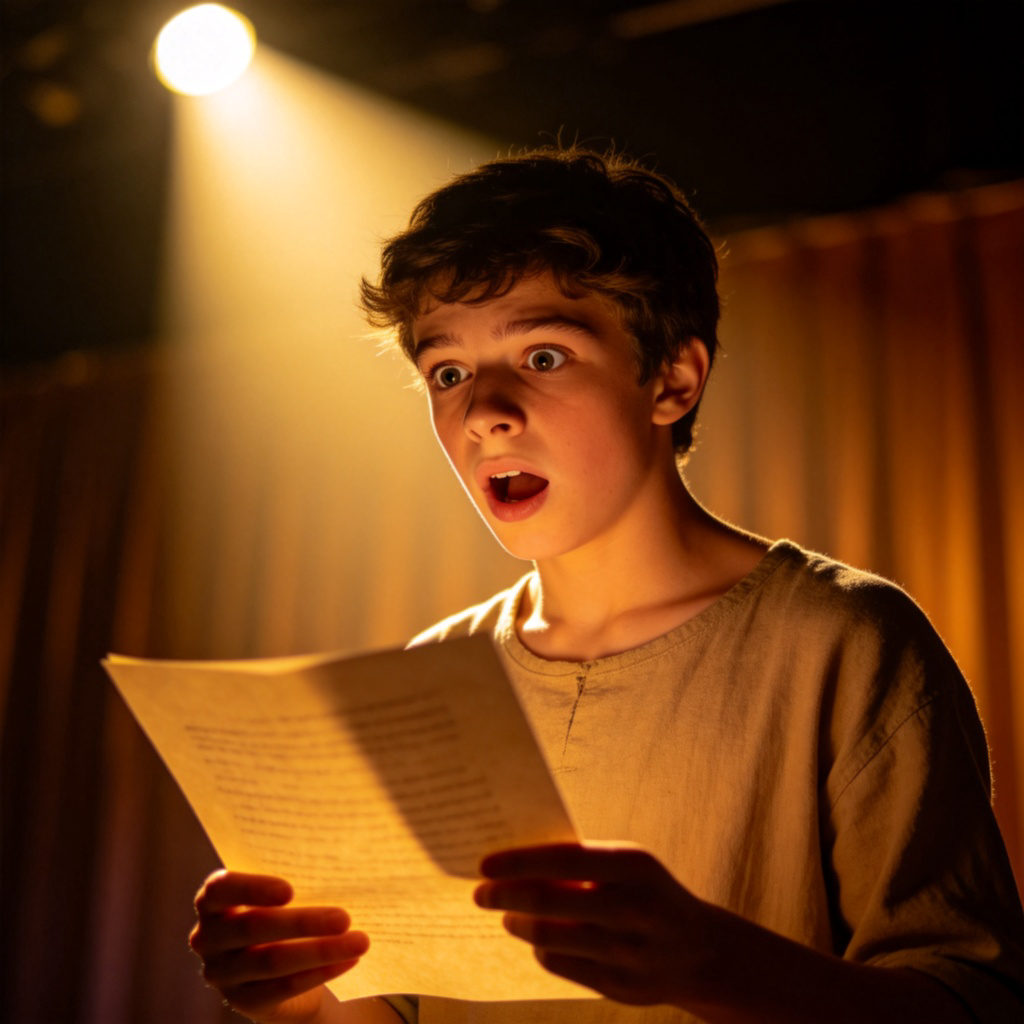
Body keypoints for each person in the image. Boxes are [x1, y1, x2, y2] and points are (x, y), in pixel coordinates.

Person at [188, 147, 1024, 1024]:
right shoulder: (434, 669)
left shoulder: (844, 640)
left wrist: (713, 963)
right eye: (449, 373)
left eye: (544, 356)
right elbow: (397, 1009)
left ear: (673, 378)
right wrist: (299, 992)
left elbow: (977, 1002)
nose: (484, 413)